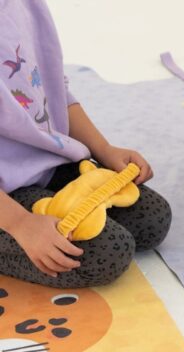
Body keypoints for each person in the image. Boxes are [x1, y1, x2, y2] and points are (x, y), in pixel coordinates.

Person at [0, 0, 171, 288]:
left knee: (152, 221)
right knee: (107, 254)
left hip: (47, 162)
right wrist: (20, 224)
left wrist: (104, 150)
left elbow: (54, 89)